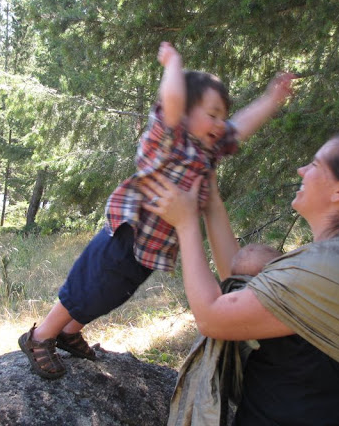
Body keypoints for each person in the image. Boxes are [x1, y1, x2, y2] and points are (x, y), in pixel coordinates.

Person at [18, 42, 296, 379]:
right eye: (212, 114)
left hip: (151, 249)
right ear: (186, 113)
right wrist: (173, 64)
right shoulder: (170, 137)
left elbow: (240, 127)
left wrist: (271, 99)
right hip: (129, 233)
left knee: (110, 293)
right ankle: (41, 336)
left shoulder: (207, 149)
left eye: (222, 116)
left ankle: (69, 331)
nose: (220, 124)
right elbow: (173, 100)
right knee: (91, 283)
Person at [141, 132, 339, 425]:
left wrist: (186, 224)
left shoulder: (332, 268)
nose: (302, 170)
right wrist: (211, 202)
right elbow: (241, 288)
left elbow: (213, 317)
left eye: (315, 165)